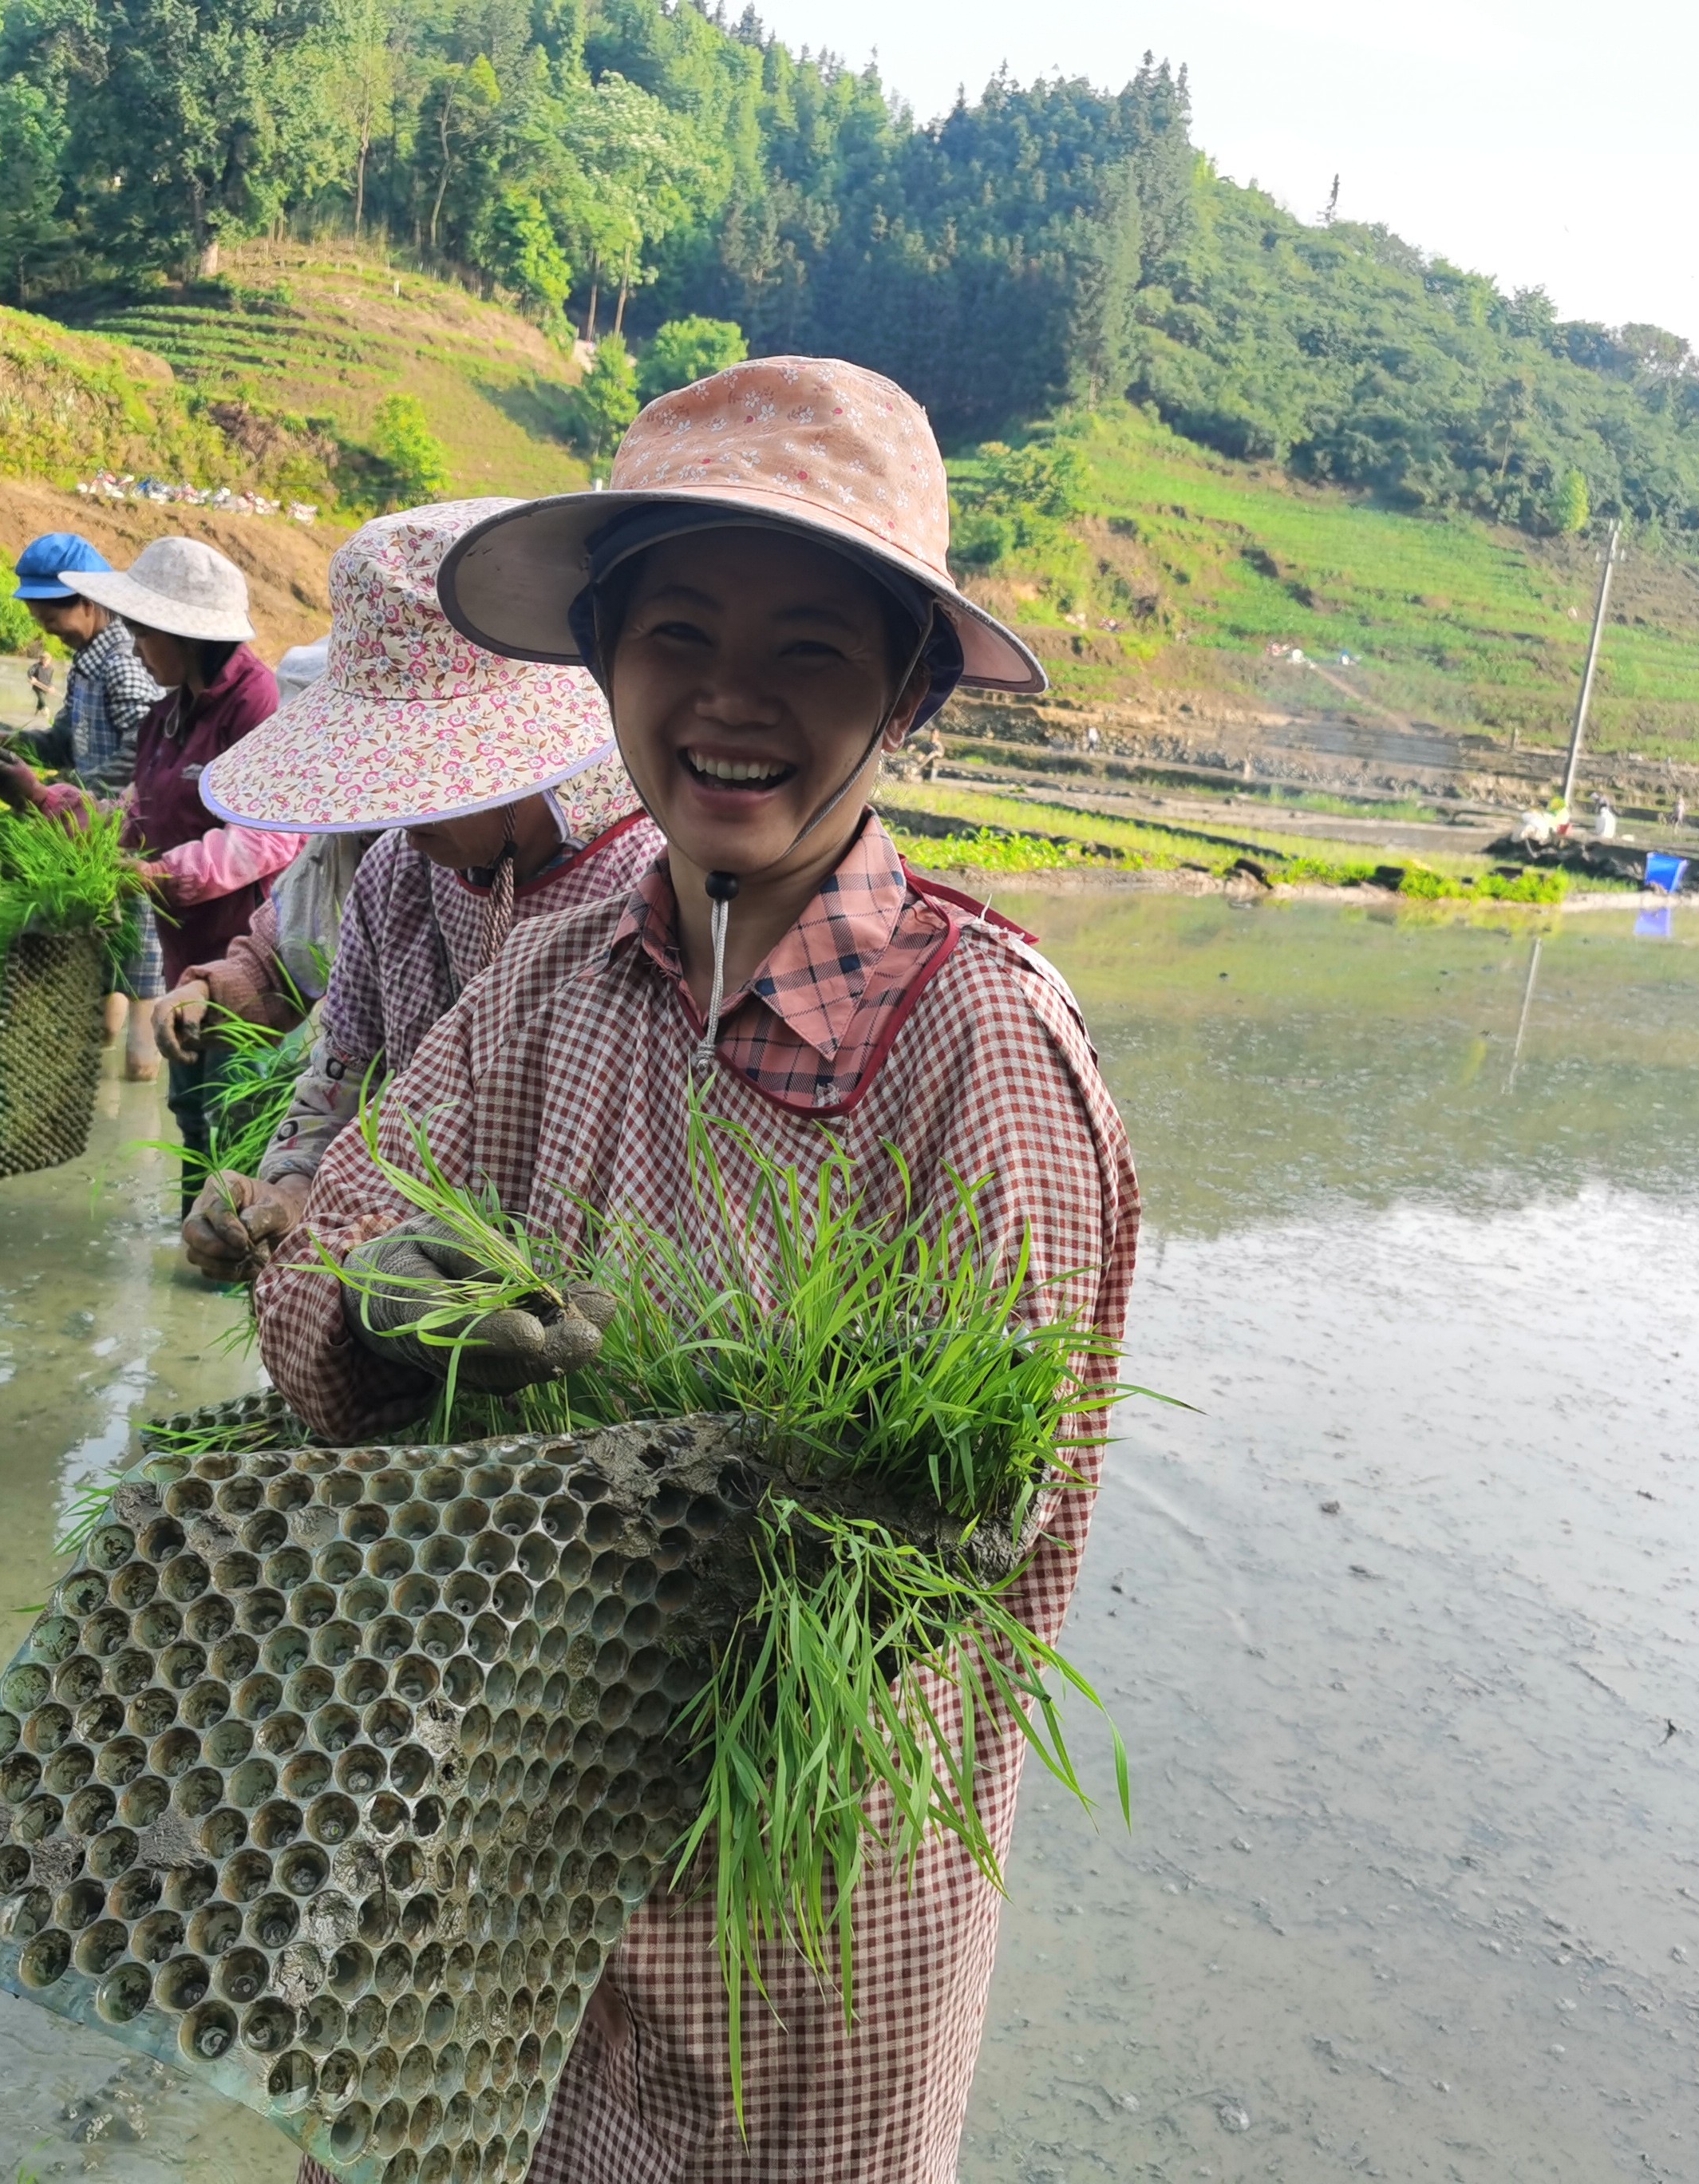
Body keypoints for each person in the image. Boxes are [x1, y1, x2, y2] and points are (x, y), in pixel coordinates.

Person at [259, 358, 1140, 2182]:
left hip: (798, 1920)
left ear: (906, 691)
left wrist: (658, 1458)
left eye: (812, 651)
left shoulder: (980, 1051)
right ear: (600, 666)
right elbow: (338, 1205)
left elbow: (979, 1519)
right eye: (678, 632)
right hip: (529, 1844)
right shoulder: (556, 972)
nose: (732, 699)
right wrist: (378, 1302)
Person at [165, 499, 658, 1285]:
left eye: (423, 775)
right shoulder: (397, 874)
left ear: (519, 752)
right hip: (408, 1287)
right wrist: (284, 1195)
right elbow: (345, 1071)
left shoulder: (648, 886)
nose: (394, 808)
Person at [0, 536, 299, 1196]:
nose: (134, 646)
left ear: (184, 634)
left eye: (143, 632)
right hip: (182, 952)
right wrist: (45, 799)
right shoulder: (168, 714)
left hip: (250, 957)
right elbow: (136, 818)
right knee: (192, 1113)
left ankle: (231, 1273)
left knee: (237, 1119)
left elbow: (267, 840)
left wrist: (155, 878)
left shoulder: (257, 705)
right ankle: (199, 1266)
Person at [0, 532, 172, 1080]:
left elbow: (148, 751)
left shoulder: (122, 660)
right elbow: (67, 742)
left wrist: (73, 798)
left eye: (51, 619)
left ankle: (138, 1103)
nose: (48, 631)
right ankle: (107, 1104)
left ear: (88, 603)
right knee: (103, 969)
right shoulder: (89, 660)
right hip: (89, 833)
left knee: (140, 979)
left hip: (130, 837)